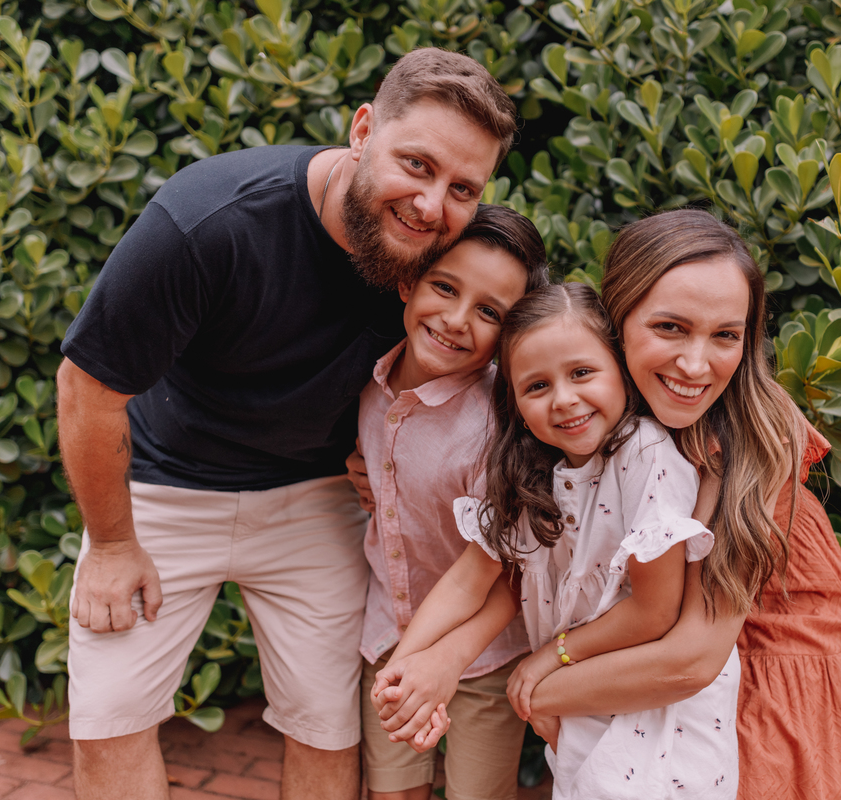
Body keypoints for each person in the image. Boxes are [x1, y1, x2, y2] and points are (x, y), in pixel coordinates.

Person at [55, 47, 517, 800]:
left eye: (462, 188)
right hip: (163, 488)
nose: (432, 205)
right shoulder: (209, 219)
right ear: (362, 130)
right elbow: (87, 386)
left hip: (316, 495)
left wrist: (378, 457)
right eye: (417, 164)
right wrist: (109, 544)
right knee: (110, 719)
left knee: (325, 726)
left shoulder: (438, 262)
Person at [365, 210, 841, 799]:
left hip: (760, 666)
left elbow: (688, 659)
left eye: (726, 335)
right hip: (633, 676)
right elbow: (511, 565)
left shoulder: (743, 436)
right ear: (616, 322)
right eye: (670, 328)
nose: (695, 364)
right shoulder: (593, 422)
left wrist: (542, 684)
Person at [373, 283, 735, 799]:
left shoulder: (645, 454)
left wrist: (550, 657)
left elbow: (654, 611)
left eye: (582, 373)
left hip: (653, 712)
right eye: (537, 386)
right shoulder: (535, 472)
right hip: (581, 699)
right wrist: (402, 669)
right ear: (517, 404)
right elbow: (468, 581)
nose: (564, 399)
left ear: (621, 371)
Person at [357, 203, 548, 800]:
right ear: (408, 281)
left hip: (485, 655)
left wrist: (435, 660)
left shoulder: (500, 427)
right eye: (445, 287)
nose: (457, 320)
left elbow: (508, 568)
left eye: (490, 312)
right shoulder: (368, 383)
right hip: (388, 632)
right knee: (391, 790)